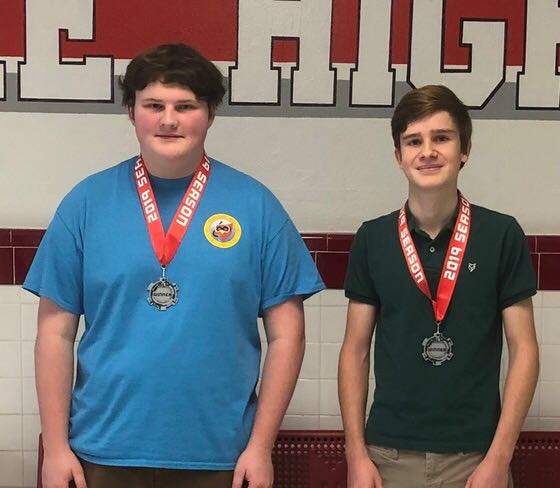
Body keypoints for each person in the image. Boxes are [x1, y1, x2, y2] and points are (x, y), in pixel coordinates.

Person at [24, 43, 324, 488]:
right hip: (102, 452)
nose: (168, 120)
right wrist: (57, 446)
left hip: (221, 456)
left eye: (185, 106)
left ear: (210, 114)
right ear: (131, 112)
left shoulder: (255, 206)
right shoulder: (86, 204)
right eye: (154, 105)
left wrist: (260, 447)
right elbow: (54, 331)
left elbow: (287, 335)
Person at [338, 85, 538, 488]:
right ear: (399, 156)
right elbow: (355, 351)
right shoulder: (373, 238)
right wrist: (356, 455)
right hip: (386, 455)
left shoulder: (501, 234)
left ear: (464, 150)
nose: (427, 151)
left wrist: (499, 458)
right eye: (414, 141)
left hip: (476, 458)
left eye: (441, 138)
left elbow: (525, 350)